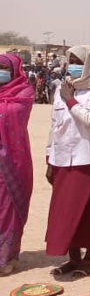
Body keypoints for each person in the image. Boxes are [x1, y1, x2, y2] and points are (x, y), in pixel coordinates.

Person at [45, 45, 90, 277]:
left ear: (89, 64)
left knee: (89, 208)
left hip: (89, 155)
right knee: (64, 210)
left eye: (77, 60)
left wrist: (71, 100)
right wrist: (49, 157)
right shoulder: (62, 87)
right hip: (62, 156)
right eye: (70, 60)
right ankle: (73, 258)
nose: (72, 64)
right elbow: (55, 124)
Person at [0, 54, 35, 275]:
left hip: (12, 161)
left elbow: (13, 113)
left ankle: (6, 256)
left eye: (4, 67)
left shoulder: (24, 92)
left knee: (7, 208)